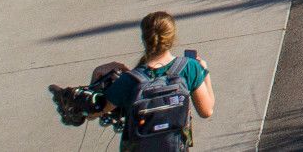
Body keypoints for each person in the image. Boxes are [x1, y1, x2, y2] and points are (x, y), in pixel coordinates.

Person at [90, 10, 213, 152]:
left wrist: (96, 75)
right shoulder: (189, 68)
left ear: (144, 39)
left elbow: (93, 112)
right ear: (172, 38)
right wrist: (205, 72)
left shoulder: (129, 80)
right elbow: (207, 111)